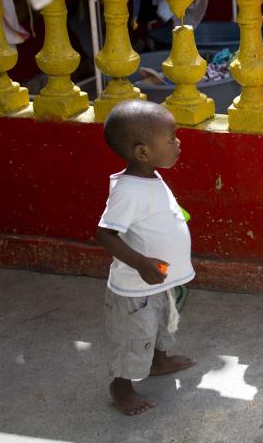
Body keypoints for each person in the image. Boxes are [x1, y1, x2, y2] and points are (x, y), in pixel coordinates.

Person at [97, 100, 195, 416]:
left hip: (162, 282)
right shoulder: (127, 190)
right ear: (143, 152)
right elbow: (106, 234)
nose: (178, 143)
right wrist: (140, 262)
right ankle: (121, 387)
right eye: (171, 138)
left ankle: (158, 360)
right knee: (133, 337)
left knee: (162, 326)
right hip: (137, 289)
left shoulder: (150, 176)